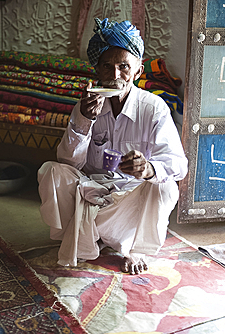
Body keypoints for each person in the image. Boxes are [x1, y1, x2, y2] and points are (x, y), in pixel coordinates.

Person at [38, 18, 188, 275]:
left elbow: (178, 165)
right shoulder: (86, 105)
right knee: (51, 171)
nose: (115, 75)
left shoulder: (153, 109)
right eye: (107, 66)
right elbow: (68, 163)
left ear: (138, 72)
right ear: (97, 70)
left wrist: (149, 169)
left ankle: (136, 249)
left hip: (130, 202)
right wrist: (85, 120)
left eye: (123, 67)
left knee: (165, 188)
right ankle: (82, 236)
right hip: (91, 193)